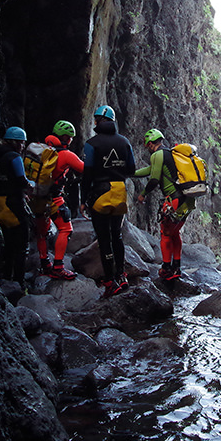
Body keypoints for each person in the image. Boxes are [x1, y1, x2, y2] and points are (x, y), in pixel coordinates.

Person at [80, 105, 136, 297]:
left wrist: (82, 199)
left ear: (97, 121)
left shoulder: (91, 143)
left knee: (104, 238)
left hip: (100, 193)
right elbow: (131, 169)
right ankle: (121, 275)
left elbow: (87, 173)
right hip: (119, 193)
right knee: (117, 236)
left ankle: (110, 280)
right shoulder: (125, 142)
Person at [134, 128, 194, 282]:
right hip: (187, 199)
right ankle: (177, 266)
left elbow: (153, 179)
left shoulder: (157, 155)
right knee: (174, 233)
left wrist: (143, 194)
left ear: (149, 143)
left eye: (147, 144)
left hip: (174, 198)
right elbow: (150, 170)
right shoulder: (169, 154)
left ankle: (167, 268)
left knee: (165, 234)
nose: (146, 147)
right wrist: (131, 173)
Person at [32, 121, 84, 279]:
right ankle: (58, 267)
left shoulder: (39, 149)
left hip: (36, 197)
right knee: (66, 229)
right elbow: (85, 169)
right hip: (53, 198)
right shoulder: (66, 154)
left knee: (41, 233)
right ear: (67, 138)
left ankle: (44, 264)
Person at [0, 126, 33, 289]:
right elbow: (22, 180)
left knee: (8, 242)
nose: (22, 146)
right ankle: (19, 282)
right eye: (21, 143)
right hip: (14, 204)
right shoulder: (14, 157)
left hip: (0, 203)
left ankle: (6, 276)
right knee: (21, 244)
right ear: (14, 143)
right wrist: (30, 186)